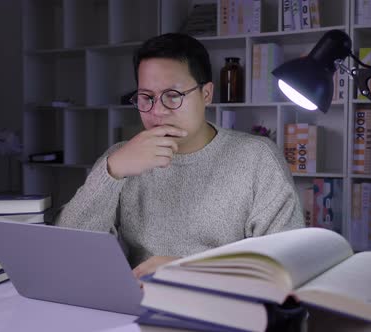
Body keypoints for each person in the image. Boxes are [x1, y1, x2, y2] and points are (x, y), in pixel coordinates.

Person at [54, 33, 304, 280]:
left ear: (206, 94)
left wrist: (191, 271)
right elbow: (66, 247)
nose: (158, 111)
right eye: (146, 98)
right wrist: (112, 170)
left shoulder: (257, 158)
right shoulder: (123, 158)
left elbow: (286, 264)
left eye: (172, 96)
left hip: (226, 307)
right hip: (139, 305)